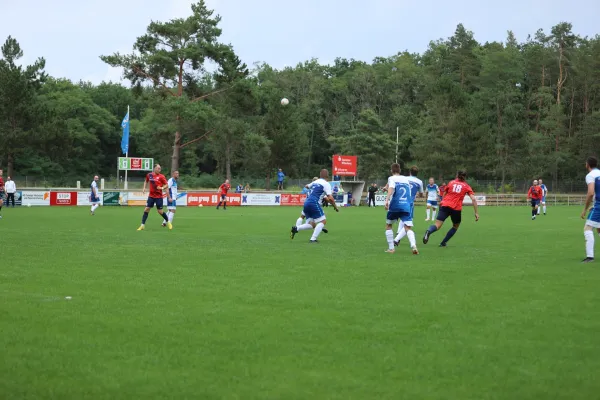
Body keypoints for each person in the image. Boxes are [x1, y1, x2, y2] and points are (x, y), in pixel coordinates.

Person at [423, 170, 479, 247]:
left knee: (437, 225)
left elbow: (445, 193)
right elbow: (473, 199)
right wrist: (476, 213)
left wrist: (442, 202)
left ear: (457, 175)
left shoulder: (451, 182)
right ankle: (443, 243)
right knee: (455, 226)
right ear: (465, 177)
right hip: (456, 209)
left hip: (445, 205)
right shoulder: (466, 186)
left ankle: (428, 231)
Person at [290, 169, 338, 243]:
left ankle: (296, 228)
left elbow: (306, 186)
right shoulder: (326, 184)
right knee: (323, 221)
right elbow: (331, 198)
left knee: (312, 224)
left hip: (306, 202)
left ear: (320, 175)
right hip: (314, 203)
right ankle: (313, 239)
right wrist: (335, 207)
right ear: (327, 176)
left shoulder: (315, 182)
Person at [385, 163, 418, 254]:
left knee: (388, 225)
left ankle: (391, 249)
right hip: (406, 205)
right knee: (407, 227)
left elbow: (391, 188)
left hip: (395, 205)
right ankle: (413, 246)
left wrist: (387, 200)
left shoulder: (391, 178)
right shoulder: (405, 179)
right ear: (400, 171)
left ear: (391, 171)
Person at [137, 164, 170, 231]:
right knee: (146, 209)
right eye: (158, 168)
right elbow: (146, 181)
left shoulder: (161, 176)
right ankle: (142, 225)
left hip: (159, 197)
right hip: (151, 196)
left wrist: (162, 187)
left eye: (160, 168)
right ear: (154, 168)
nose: (159, 170)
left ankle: (168, 221)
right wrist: (144, 188)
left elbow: (167, 185)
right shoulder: (149, 175)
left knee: (160, 211)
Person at [581, 157, 600, 263]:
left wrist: (585, 209)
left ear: (587, 164)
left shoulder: (590, 175)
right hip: (597, 204)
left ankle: (590, 257)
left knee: (587, 228)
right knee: (599, 229)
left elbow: (591, 193)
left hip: (599, 205)